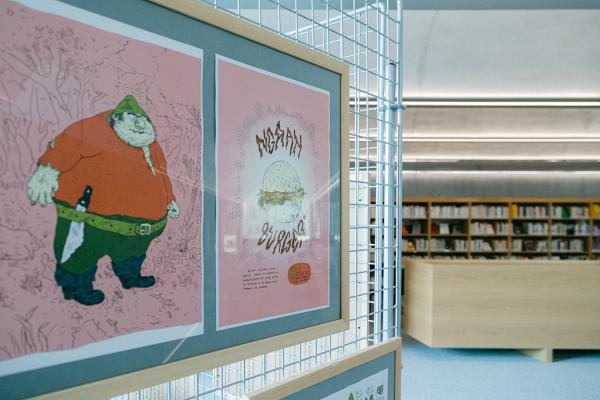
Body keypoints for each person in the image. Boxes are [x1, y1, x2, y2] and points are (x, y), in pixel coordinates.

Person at [27, 95, 179, 306]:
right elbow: (67, 144)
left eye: (141, 118)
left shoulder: (149, 142)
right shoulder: (96, 129)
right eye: (132, 117)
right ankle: (77, 288)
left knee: (131, 251)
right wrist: (48, 169)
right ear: (118, 117)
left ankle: (130, 277)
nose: (138, 123)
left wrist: (169, 199)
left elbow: (161, 172)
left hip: (138, 223)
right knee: (82, 251)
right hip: (93, 214)